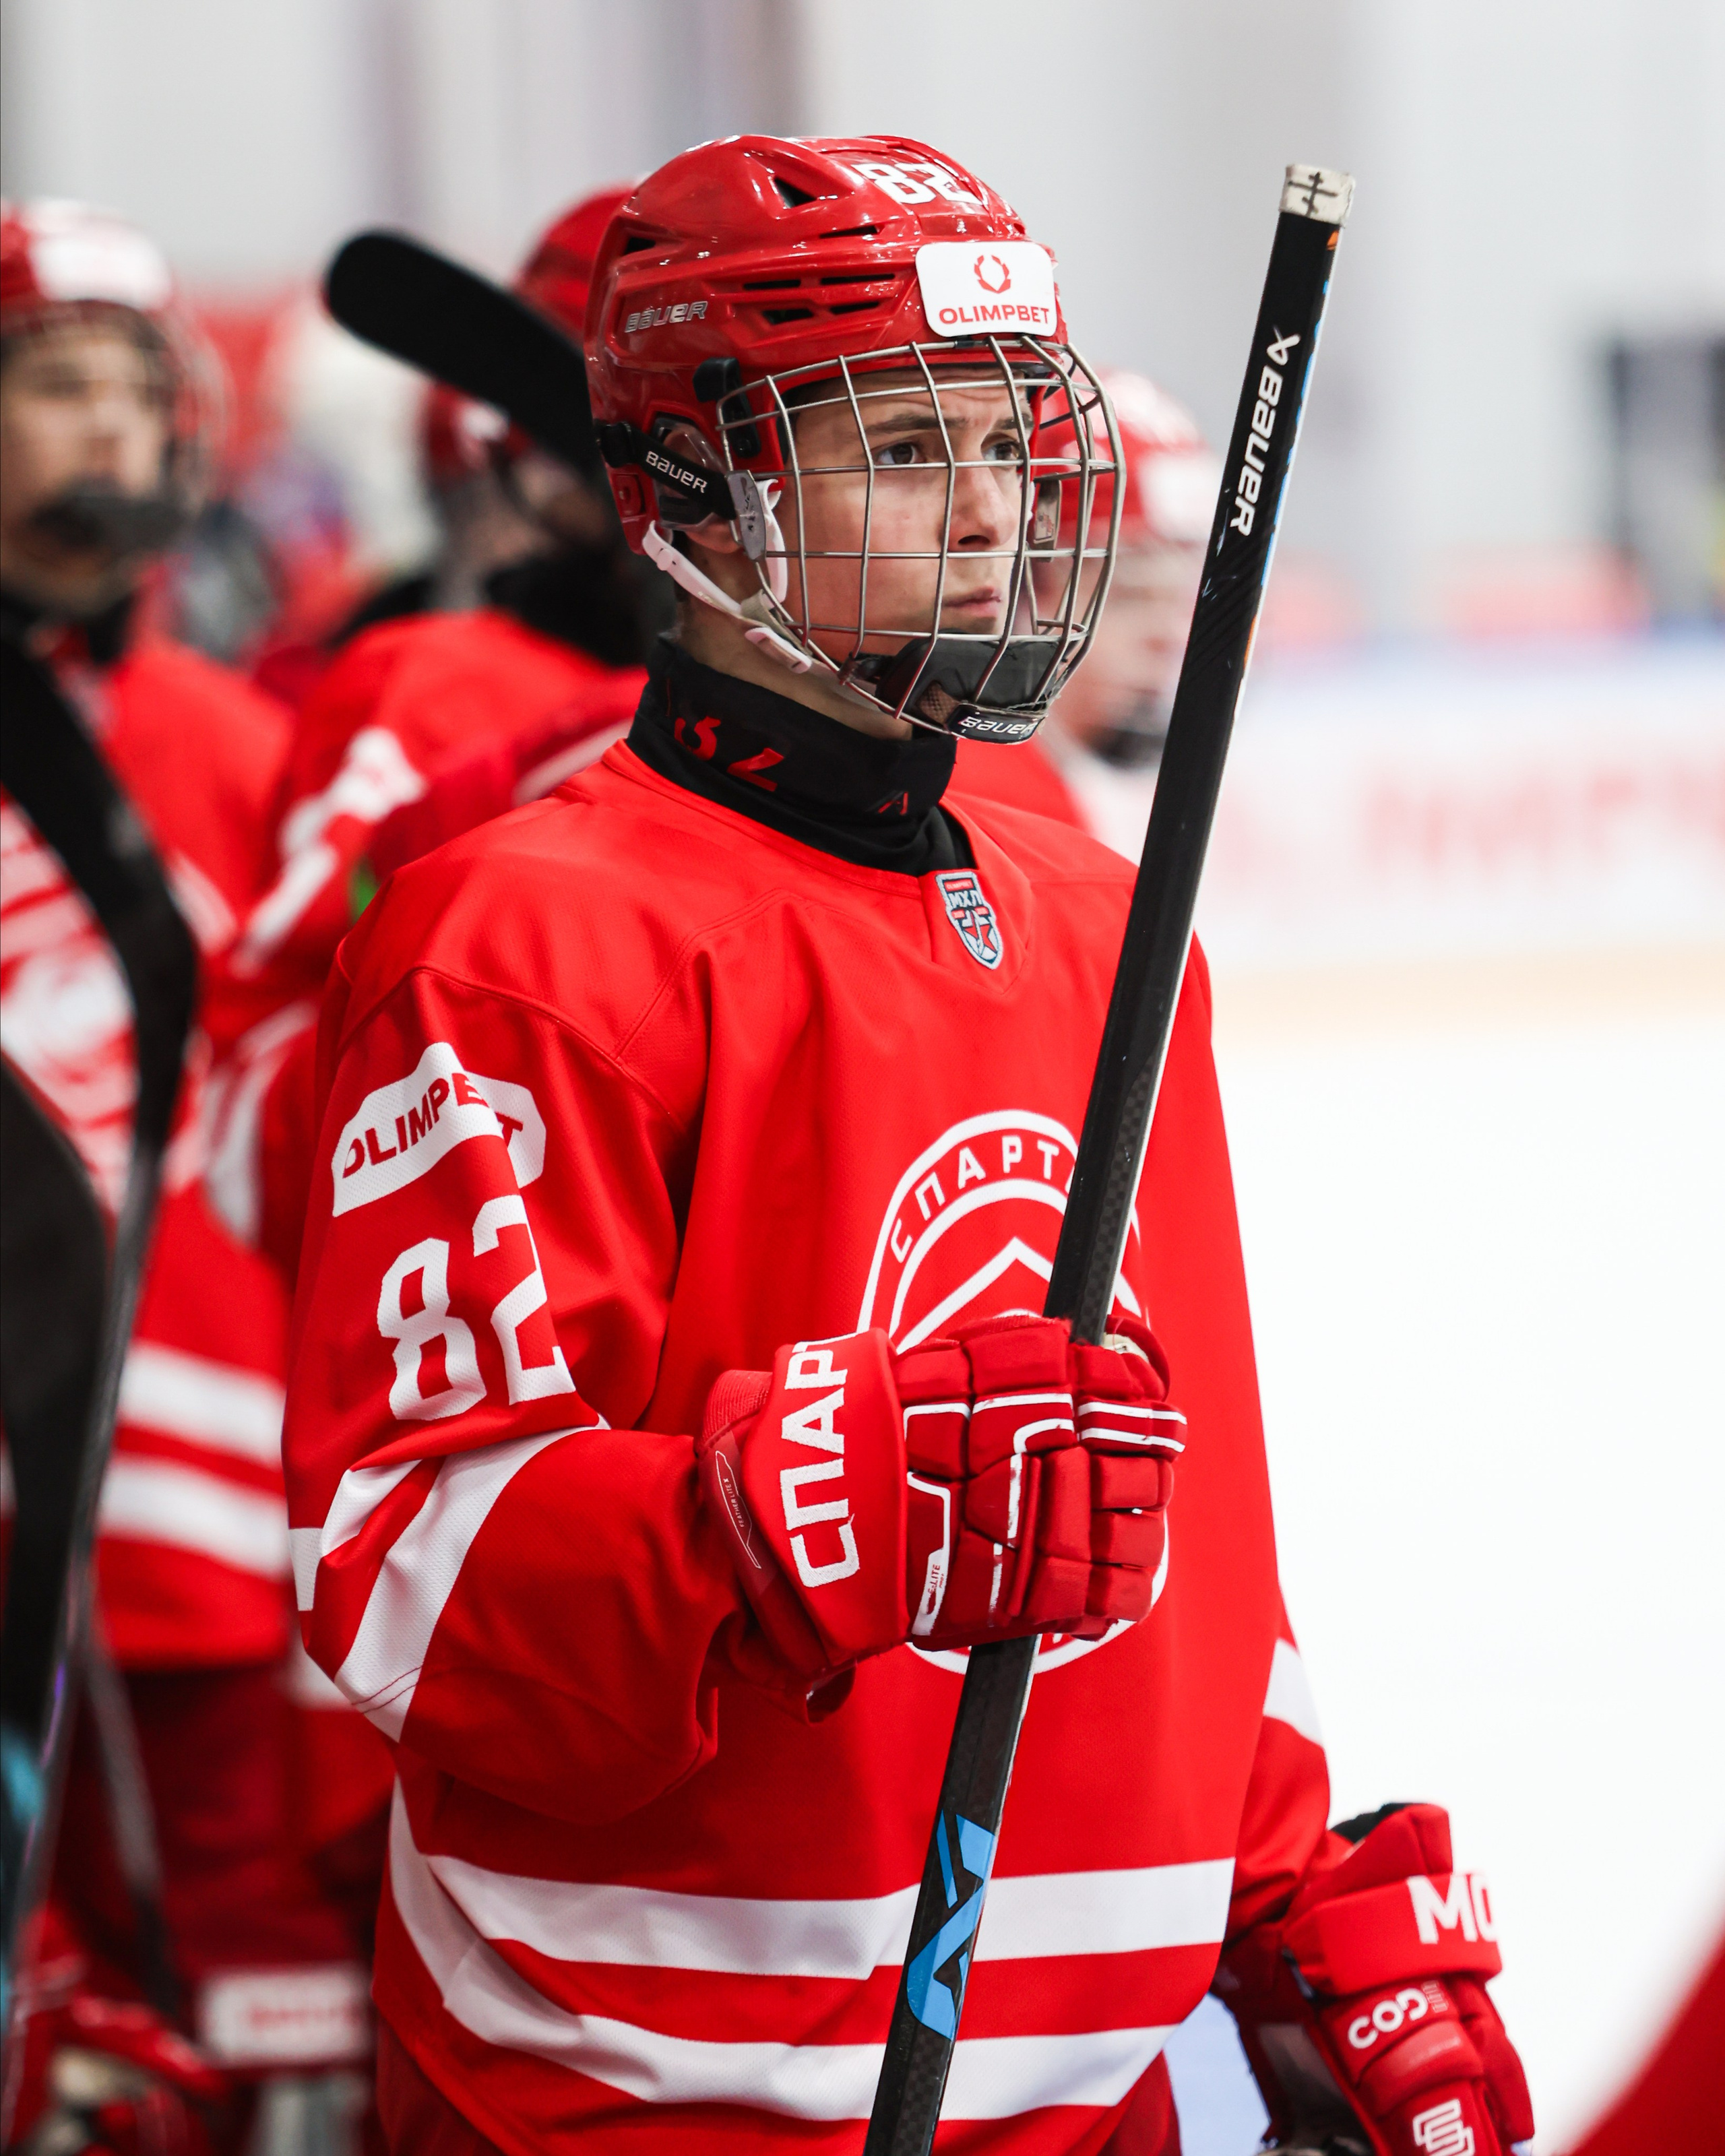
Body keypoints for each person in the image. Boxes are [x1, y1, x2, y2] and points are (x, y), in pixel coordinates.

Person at [282, 137, 1534, 2155]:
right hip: (634, 2094)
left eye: (1002, 441)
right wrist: (776, 1510)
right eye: (892, 450)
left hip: (1080, 2095)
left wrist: (1298, 1886)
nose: (984, 518)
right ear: (691, 491)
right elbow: (397, 1578)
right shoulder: (522, 938)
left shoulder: (1104, 922)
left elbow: (1174, 1518)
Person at [1, 199, 367, 2151]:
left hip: (225, 1537)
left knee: (279, 2047)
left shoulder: (246, 743)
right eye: (57, 386)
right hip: (23, 1531)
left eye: (136, 392)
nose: (113, 437)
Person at [952, 368, 1218, 858]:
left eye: (1179, 598)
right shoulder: (1006, 812)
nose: (1170, 640)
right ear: (1007, 591)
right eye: (1130, 596)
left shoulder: (1032, 790)